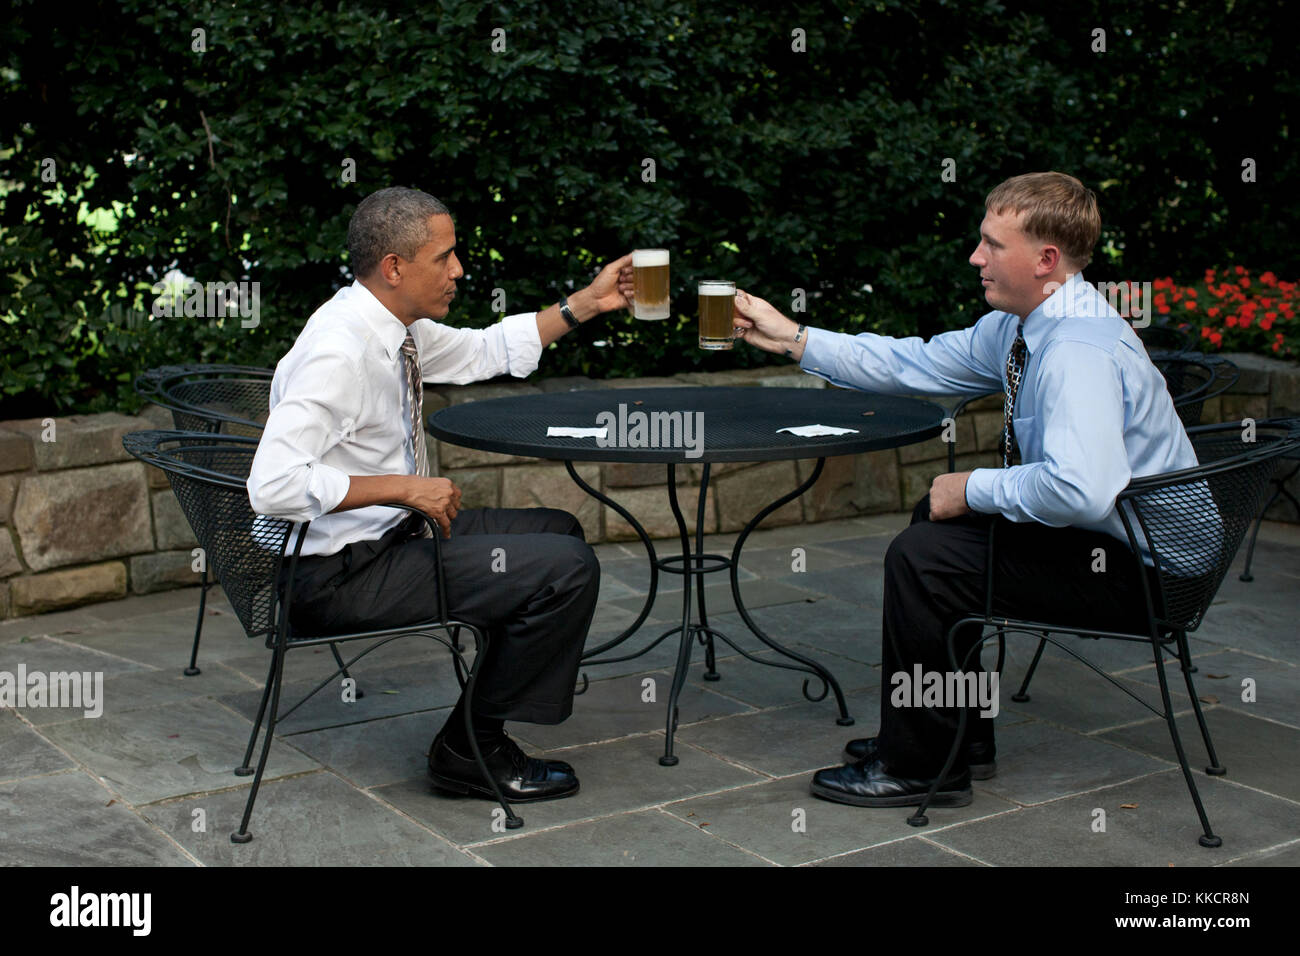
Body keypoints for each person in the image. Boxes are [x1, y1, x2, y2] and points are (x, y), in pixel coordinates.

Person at [732, 171, 1197, 808]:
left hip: (1147, 571)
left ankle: (924, 767)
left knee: (926, 558)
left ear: (1046, 260)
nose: (976, 257)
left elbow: (1081, 491)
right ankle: (957, 735)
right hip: (1110, 538)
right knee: (936, 525)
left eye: (991, 245)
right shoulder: (1024, 324)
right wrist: (793, 337)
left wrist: (973, 486)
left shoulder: (1076, 350)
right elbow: (912, 362)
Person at [248, 186, 634, 803]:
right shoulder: (340, 350)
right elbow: (273, 483)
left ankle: (496, 678)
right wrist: (405, 488)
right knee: (564, 571)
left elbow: (485, 350)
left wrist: (588, 303)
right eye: (445, 257)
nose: (458, 270)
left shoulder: (393, 327)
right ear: (394, 267)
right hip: (335, 576)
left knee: (558, 532)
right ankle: (468, 750)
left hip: (386, 544)